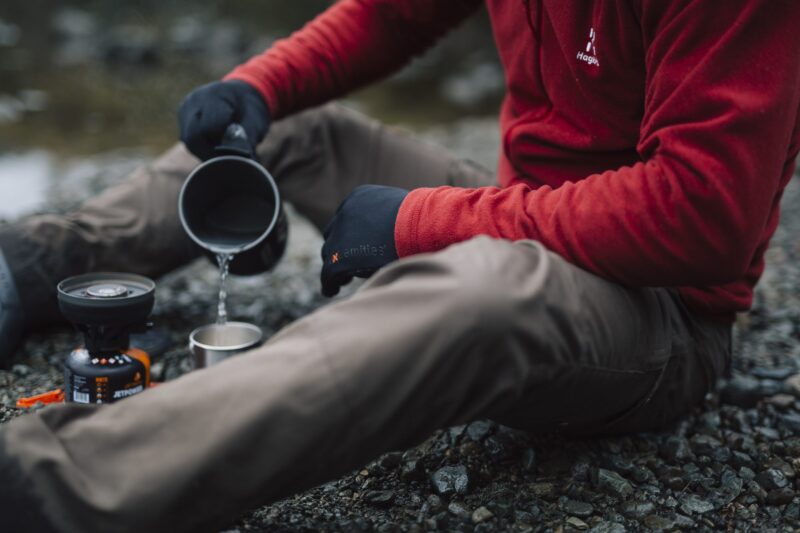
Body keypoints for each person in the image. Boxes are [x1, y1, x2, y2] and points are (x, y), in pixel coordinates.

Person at [1, 1, 799, 531]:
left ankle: (51, 484)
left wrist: (418, 223)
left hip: (660, 307)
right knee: (291, 130)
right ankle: (28, 266)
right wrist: (257, 84)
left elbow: (701, 215)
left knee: (485, 286)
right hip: (528, 209)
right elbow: (392, 15)